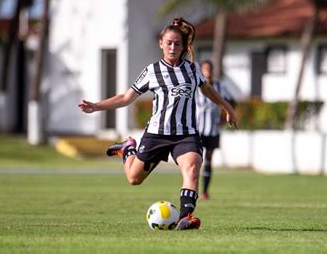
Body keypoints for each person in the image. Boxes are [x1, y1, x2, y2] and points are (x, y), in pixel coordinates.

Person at [78, 17, 238, 230]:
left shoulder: (192, 69)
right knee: (134, 178)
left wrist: (227, 108)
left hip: (186, 134)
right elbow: (126, 97)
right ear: (161, 43)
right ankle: (127, 149)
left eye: (177, 43)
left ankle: (185, 217)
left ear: (184, 46)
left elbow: (207, 89)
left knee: (192, 168)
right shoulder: (152, 71)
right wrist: (97, 106)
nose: (173, 47)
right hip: (156, 134)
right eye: (169, 43)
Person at [195, 60, 235, 200]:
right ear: (202, 71)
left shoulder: (219, 86)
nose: (208, 71)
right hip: (198, 130)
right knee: (195, 160)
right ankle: (193, 190)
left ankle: (205, 191)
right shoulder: (196, 86)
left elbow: (231, 102)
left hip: (213, 130)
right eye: (205, 69)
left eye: (210, 69)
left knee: (208, 160)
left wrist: (224, 120)